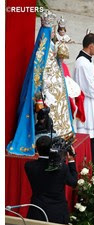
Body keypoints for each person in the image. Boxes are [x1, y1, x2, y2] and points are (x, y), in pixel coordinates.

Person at [7, 10, 74, 156]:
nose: (52, 33)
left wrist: (61, 40)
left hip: (57, 85)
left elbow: (59, 60)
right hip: (47, 87)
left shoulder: (50, 44)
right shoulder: (41, 49)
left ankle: (63, 133)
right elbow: (38, 72)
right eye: (51, 31)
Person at [25, 136, 77, 224]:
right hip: (57, 213)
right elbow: (73, 182)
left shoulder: (29, 166)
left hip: (37, 211)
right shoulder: (62, 168)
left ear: (36, 150)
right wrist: (71, 161)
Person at [73, 33, 94, 166]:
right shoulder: (82, 63)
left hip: (90, 103)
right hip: (86, 104)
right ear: (91, 46)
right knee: (88, 135)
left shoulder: (87, 61)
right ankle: (92, 164)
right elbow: (90, 88)